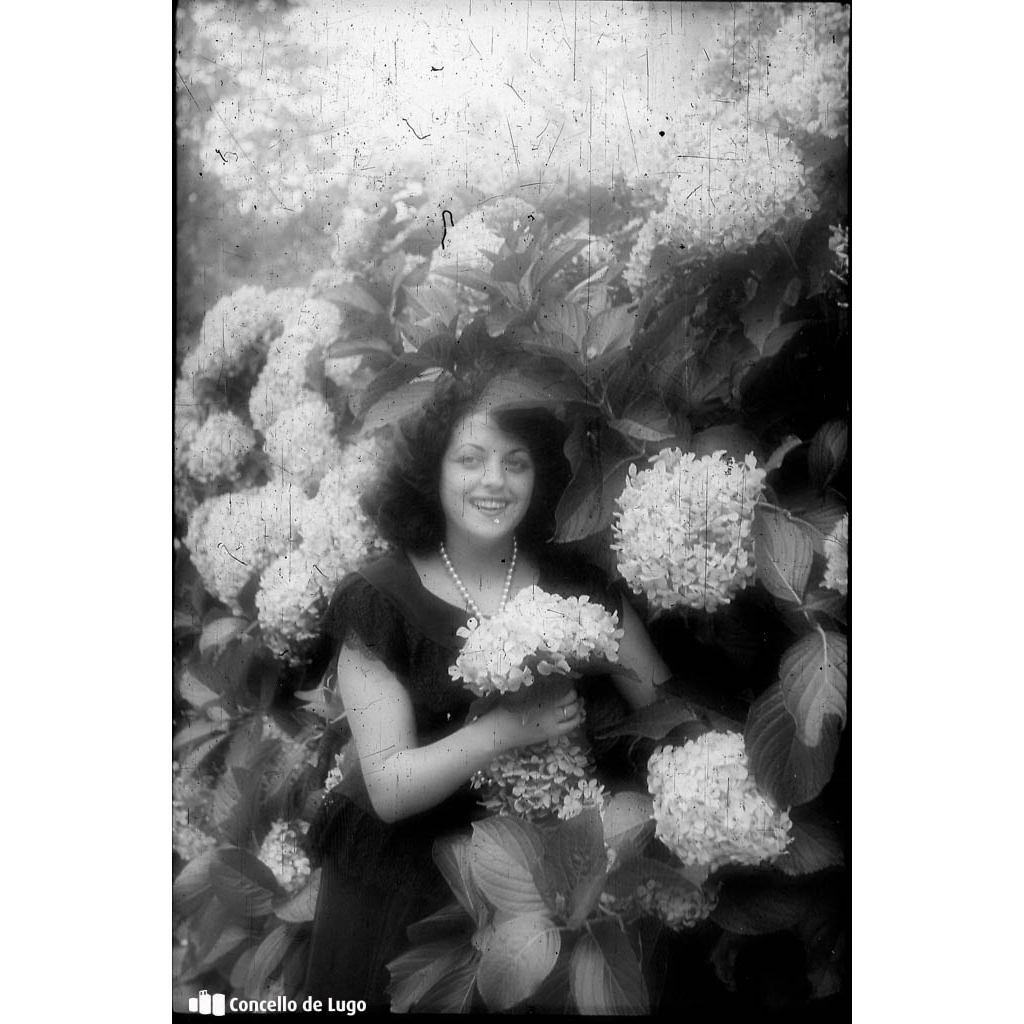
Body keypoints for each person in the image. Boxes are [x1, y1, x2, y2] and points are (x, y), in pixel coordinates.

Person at [301, 363, 671, 1011]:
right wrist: (504, 732)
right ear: (432, 472)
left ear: (542, 475)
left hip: (536, 887)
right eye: (469, 459)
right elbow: (387, 787)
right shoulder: (378, 601)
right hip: (400, 881)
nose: (493, 481)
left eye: (517, 462)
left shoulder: (574, 584)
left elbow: (664, 710)